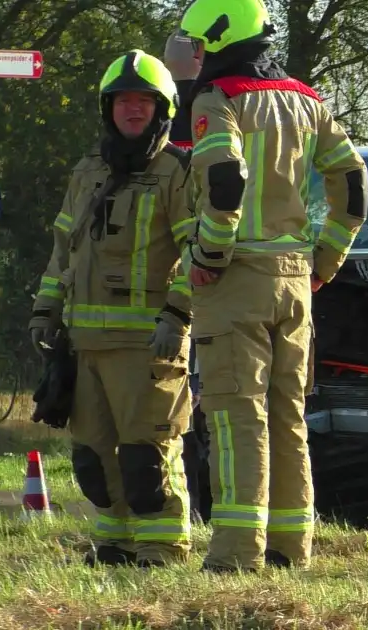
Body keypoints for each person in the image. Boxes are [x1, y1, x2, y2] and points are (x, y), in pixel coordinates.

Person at [177, 0, 368, 572]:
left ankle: (236, 553)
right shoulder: (308, 100)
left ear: (220, 38)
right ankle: (291, 545)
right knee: (287, 416)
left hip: (236, 280)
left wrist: (209, 252)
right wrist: (326, 258)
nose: (197, 56)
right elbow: (354, 184)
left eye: (201, 45)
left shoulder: (217, 102)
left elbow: (224, 180)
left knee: (237, 416)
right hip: (295, 283)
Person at [28, 50, 196, 567]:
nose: (131, 109)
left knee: (148, 456)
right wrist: (45, 309)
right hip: (84, 345)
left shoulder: (178, 171)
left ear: (162, 107)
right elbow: (64, 248)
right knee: (94, 459)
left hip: (148, 345)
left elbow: (201, 252)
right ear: (108, 108)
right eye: (122, 100)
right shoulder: (87, 171)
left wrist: (178, 314)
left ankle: (162, 548)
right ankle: (115, 545)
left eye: (142, 101)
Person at [163, 31, 212, 525]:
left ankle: (191, 504)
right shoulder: (219, 107)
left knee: (183, 397)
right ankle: (203, 505)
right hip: (213, 267)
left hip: (174, 272)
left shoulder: (158, 115)